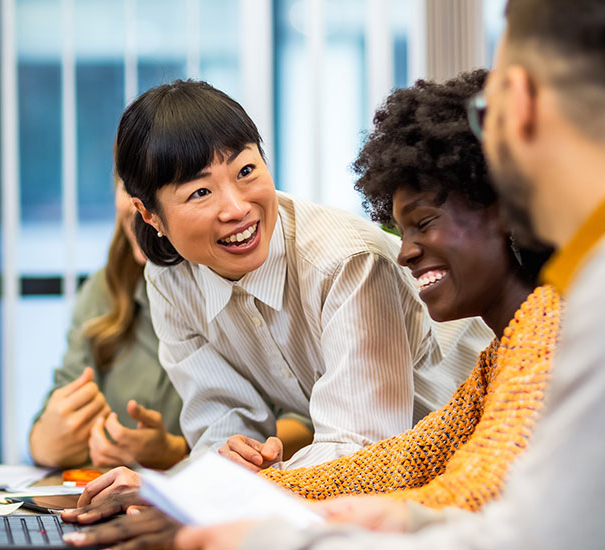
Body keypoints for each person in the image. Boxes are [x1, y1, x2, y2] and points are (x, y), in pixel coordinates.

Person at [176, 0, 605, 548]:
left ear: (521, 107)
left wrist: (270, 539)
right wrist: (395, 518)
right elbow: (411, 463)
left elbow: (530, 538)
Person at [61, 68, 562, 549]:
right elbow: (397, 464)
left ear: (505, 211)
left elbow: (446, 487)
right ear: (151, 216)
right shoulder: (496, 366)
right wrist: (191, 495)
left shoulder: (538, 341)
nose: (404, 251)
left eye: (247, 171)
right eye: (199, 191)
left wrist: (222, 506)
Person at [29, 181, 314, 469]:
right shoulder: (103, 290)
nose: (140, 206)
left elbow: (306, 419)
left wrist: (180, 450)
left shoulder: (252, 280)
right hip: (122, 499)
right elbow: (58, 413)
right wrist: (44, 444)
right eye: (129, 187)